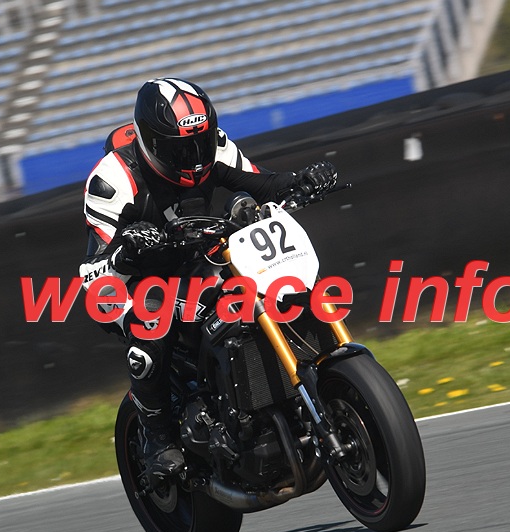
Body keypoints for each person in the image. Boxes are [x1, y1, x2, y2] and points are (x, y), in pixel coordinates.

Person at [79, 78, 337, 480]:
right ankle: (157, 438)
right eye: (181, 149)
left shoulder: (213, 145)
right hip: (120, 281)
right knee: (153, 321)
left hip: (192, 262)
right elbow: (95, 265)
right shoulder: (112, 180)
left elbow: (262, 183)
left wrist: (301, 180)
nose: (195, 157)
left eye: (199, 144)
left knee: (256, 292)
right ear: (152, 143)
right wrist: (128, 247)